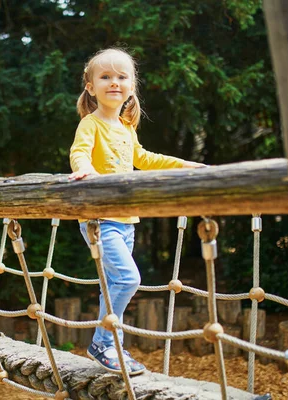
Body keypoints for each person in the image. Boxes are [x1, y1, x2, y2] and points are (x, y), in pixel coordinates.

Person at [68, 48, 204, 375]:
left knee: (111, 285)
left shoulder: (127, 128)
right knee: (129, 279)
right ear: (90, 86)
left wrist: (182, 164)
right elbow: (79, 152)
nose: (114, 82)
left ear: (131, 86)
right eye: (105, 77)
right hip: (99, 220)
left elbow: (145, 159)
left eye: (121, 77)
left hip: (127, 221)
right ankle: (103, 342)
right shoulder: (91, 123)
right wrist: (85, 170)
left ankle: (111, 344)